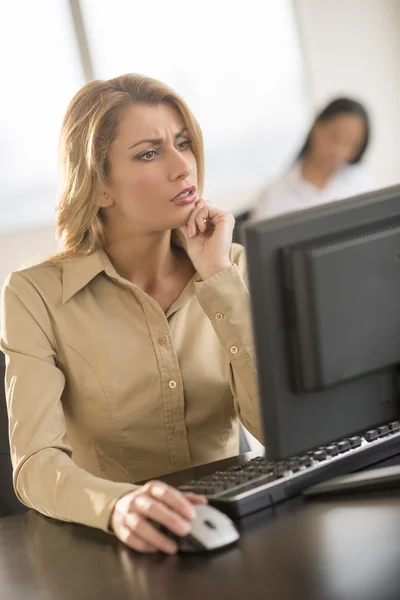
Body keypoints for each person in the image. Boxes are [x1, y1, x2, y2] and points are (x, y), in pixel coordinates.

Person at [0, 74, 261, 555]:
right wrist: (117, 506)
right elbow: (34, 464)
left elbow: (277, 430)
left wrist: (220, 281)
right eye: (149, 152)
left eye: (184, 143)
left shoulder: (233, 267)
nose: (184, 167)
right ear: (99, 187)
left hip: (236, 526)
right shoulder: (32, 295)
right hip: (117, 545)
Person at [253, 97, 372, 221]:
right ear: (316, 127)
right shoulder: (273, 196)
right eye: (334, 137)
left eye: (351, 144)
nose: (339, 151)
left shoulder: (360, 182)